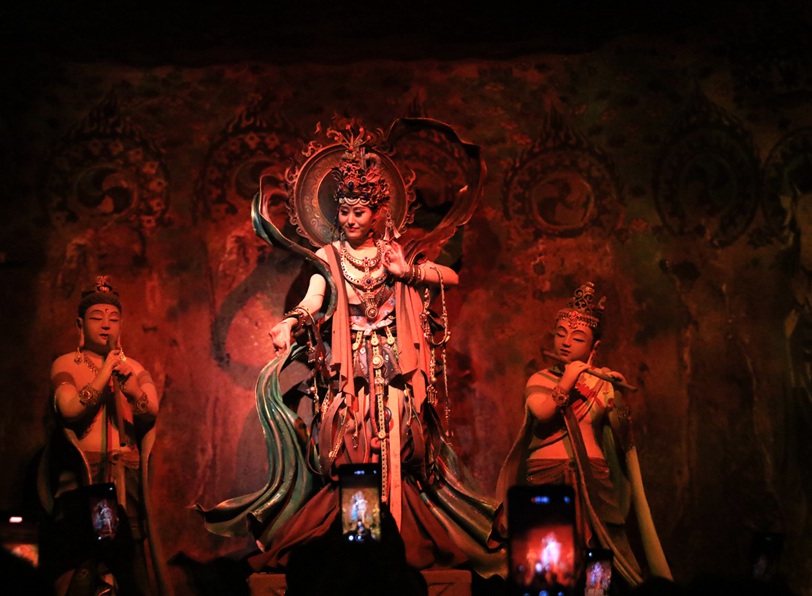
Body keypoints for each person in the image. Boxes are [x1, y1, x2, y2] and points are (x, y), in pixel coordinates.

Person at [199, 122, 504, 581]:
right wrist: (290, 322)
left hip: (394, 368)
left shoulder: (395, 253)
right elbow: (313, 299)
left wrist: (408, 273)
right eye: (343, 212)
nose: (350, 221)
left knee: (396, 446)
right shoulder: (328, 256)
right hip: (349, 370)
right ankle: (355, 540)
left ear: (379, 212)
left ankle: (396, 539)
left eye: (359, 212)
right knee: (352, 449)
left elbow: (450, 277)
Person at [496, 282, 672, 589]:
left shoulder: (600, 384)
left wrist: (618, 396)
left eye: (577, 338)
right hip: (547, 477)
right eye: (560, 334)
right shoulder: (540, 378)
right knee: (548, 554)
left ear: (594, 347)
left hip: (594, 478)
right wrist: (567, 380)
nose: (566, 343)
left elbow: (622, 435)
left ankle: (597, 594)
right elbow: (543, 413)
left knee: (599, 557)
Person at [38, 276, 165, 596]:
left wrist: (132, 389)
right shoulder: (67, 364)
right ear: (80, 324)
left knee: (127, 557)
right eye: (97, 318)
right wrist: (104, 374)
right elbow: (68, 409)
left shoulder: (133, 367)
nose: (106, 325)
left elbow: (151, 410)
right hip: (88, 477)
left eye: (114, 319)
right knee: (89, 557)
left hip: (125, 475)